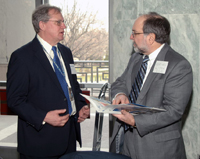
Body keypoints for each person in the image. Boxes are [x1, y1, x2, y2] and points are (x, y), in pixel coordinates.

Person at [6, 4, 90, 159]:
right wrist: (44, 117)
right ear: (42, 25)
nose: (64, 26)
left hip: (69, 138)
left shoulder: (66, 52)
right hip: (40, 142)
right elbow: (14, 100)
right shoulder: (22, 57)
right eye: (58, 22)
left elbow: (73, 86)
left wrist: (80, 105)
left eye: (63, 22)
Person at [109, 12, 193, 159]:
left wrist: (135, 121)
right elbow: (120, 82)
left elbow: (173, 110)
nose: (131, 37)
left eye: (135, 33)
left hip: (158, 149)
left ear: (151, 37)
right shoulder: (136, 58)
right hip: (127, 144)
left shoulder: (179, 65)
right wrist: (120, 94)